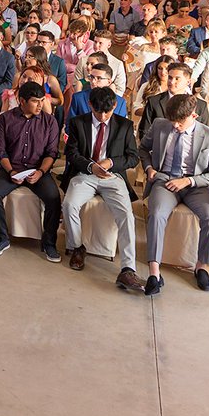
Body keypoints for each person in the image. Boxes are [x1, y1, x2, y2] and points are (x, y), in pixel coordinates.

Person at [138, 93, 209, 296]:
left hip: (196, 185)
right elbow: (143, 148)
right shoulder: (160, 125)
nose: (175, 126)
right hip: (165, 180)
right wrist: (149, 167)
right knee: (157, 213)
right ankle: (154, 271)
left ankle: (201, 266)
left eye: (180, 122)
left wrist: (188, 181)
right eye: (173, 122)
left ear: (194, 116)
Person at [61, 87, 145, 291]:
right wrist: (91, 166)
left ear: (114, 106)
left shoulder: (125, 125)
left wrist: (110, 163)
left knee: (126, 215)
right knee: (70, 204)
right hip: (85, 174)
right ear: (90, 105)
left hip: (113, 177)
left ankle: (127, 269)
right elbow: (71, 153)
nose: (103, 116)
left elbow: (133, 157)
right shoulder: (78, 122)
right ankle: (77, 247)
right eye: (98, 112)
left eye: (107, 112)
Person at [0, 81, 62, 261]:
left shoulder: (49, 121)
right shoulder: (5, 119)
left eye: (42, 100)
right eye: (35, 101)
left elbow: (52, 153)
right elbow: (0, 150)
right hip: (12, 168)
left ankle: (49, 243)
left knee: (54, 197)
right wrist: (11, 171)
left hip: (38, 170)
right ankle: (2, 238)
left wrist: (41, 172)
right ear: (21, 101)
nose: (40, 105)